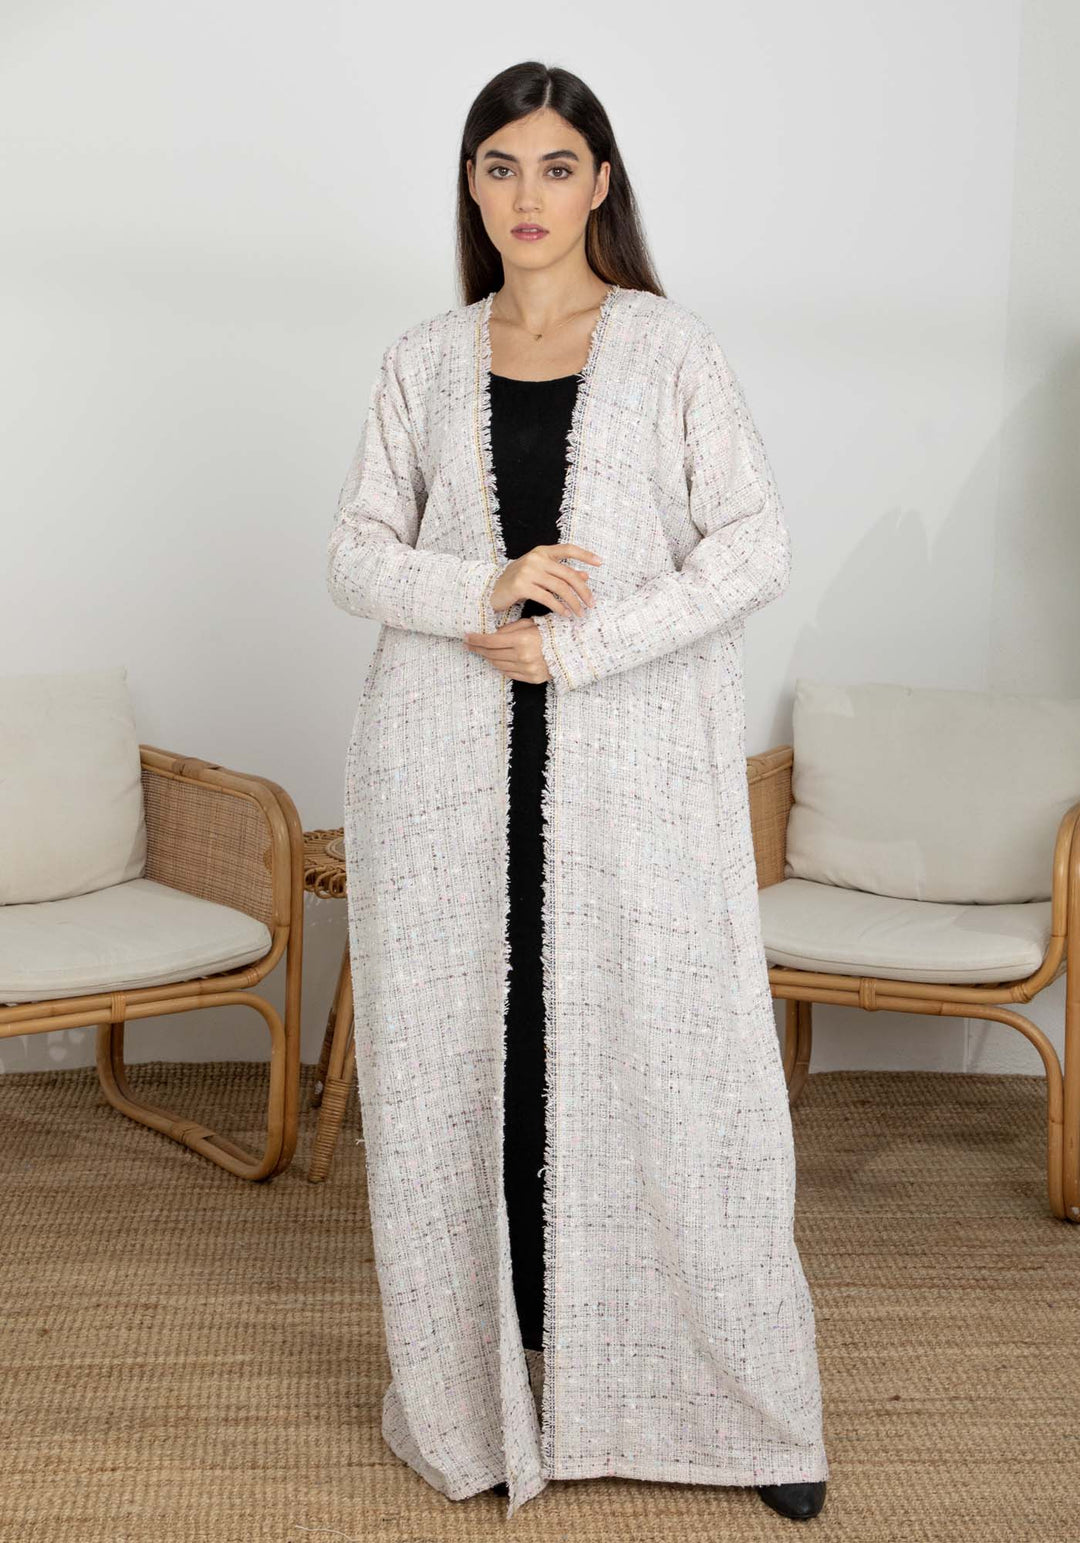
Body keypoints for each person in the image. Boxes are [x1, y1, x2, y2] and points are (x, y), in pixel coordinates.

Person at [327, 59, 829, 1523]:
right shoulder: (425, 360)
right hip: (448, 776)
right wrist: (483, 585)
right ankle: (493, 1390)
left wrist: (579, 648)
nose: (528, 196)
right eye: (500, 166)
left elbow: (752, 546)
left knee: (670, 1073)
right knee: (481, 1079)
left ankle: (733, 1410)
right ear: (471, 186)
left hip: (629, 778)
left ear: (601, 182)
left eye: (556, 166)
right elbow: (355, 553)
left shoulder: (671, 351)